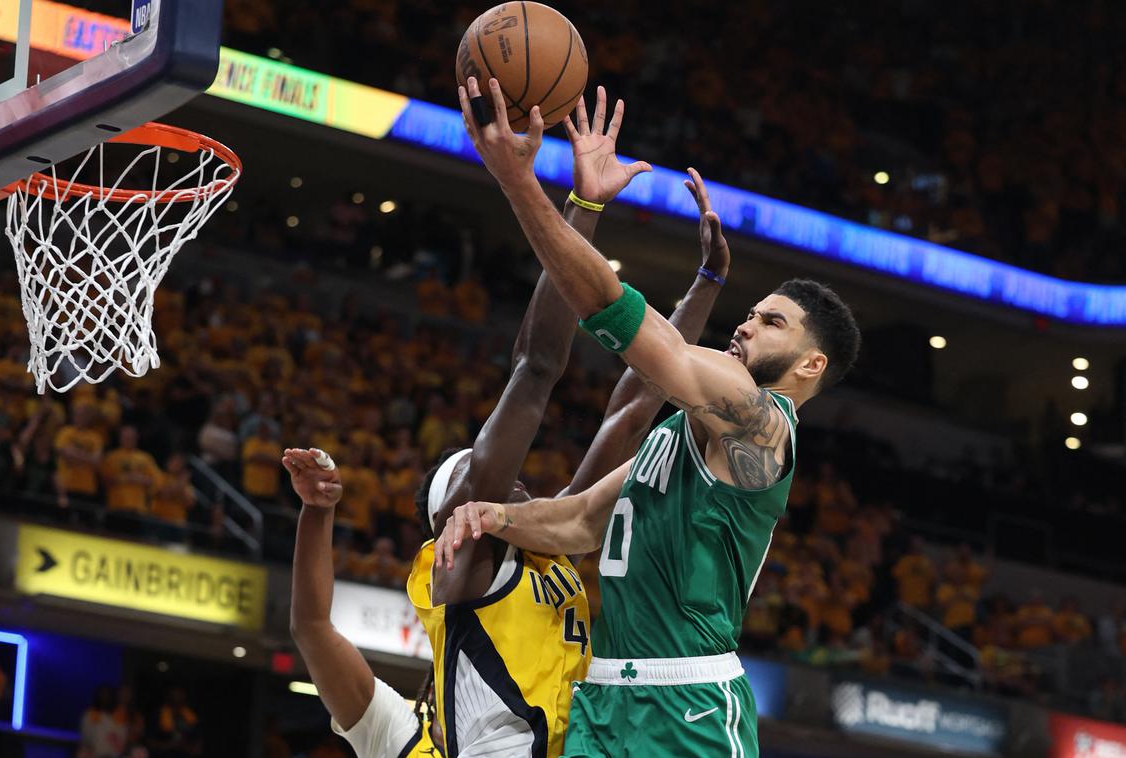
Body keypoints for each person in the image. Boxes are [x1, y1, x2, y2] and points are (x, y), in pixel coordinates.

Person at [288, 88, 730, 758]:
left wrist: (706, 284)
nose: (504, 472)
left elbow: (637, 404)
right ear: (452, 519)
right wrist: (581, 209)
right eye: (473, 472)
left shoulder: (545, 546)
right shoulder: (466, 563)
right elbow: (534, 368)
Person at [443, 77, 861, 757]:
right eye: (750, 313)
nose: (747, 326)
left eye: (773, 322)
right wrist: (495, 517)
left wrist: (522, 182)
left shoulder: (762, 421)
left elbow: (640, 335)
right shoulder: (679, 434)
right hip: (605, 703)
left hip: (690, 707)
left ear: (810, 365)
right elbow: (581, 520)